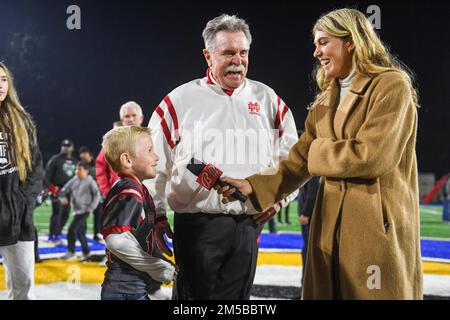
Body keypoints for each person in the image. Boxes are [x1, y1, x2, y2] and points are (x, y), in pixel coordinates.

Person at [216, 8, 423, 299]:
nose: (316, 52)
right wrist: (252, 185)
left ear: (351, 41)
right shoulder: (327, 96)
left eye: (323, 42)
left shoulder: (391, 85)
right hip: (326, 225)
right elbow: (297, 161)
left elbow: (372, 156)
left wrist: (315, 152)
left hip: (374, 228)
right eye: (316, 44)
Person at [145, 14, 298, 299]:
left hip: (247, 224)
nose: (237, 60)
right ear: (208, 56)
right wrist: (155, 215)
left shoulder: (269, 100)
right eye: (228, 52)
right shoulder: (178, 101)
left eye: (243, 52)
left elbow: (294, 160)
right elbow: (152, 163)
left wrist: (278, 201)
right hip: (195, 226)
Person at [100, 125, 177, 300]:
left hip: (129, 287)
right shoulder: (130, 190)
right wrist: (157, 267)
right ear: (127, 160)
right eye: (149, 151)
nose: (156, 157)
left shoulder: (135, 188)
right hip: (125, 290)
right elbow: (116, 240)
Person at [0, 62, 43, 299]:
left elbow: (36, 167)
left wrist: (23, 202)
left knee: (24, 285)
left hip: (18, 217)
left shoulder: (21, 119)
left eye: (4, 79)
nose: (0, 84)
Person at [59, 161, 101, 261]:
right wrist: (62, 198)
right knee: (80, 232)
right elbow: (64, 190)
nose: (77, 171)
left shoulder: (90, 181)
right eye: (76, 169)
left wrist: (90, 208)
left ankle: (71, 252)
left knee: (71, 230)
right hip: (76, 210)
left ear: (86, 171)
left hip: (85, 211)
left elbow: (97, 195)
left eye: (80, 169)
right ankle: (86, 252)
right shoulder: (74, 179)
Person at [44, 138, 77, 244]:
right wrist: (52, 190)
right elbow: (47, 176)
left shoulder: (75, 161)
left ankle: (57, 234)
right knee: (57, 213)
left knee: (66, 214)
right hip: (57, 191)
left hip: (69, 193)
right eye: (64, 146)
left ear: (72, 148)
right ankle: (52, 236)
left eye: (68, 146)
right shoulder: (55, 159)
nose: (65, 148)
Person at [297, 176, 320, 286]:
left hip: (309, 218)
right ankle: (305, 287)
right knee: (307, 251)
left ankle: (306, 288)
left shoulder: (313, 171)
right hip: (309, 217)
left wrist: (306, 213)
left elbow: (312, 192)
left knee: (308, 252)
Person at [79, 146, 103, 241]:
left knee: (98, 215)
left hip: (96, 195)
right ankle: (81, 234)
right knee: (83, 215)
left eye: (87, 155)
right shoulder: (80, 166)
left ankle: (97, 233)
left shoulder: (96, 166)